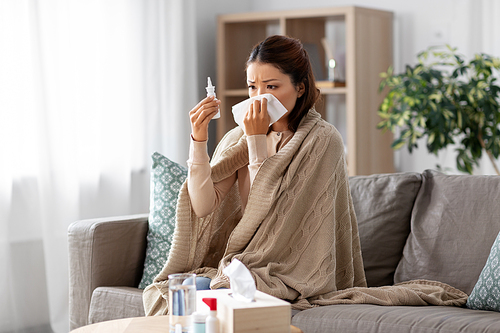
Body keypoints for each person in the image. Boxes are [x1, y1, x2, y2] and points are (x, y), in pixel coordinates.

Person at [143, 35, 367, 315]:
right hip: (240, 266)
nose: (259, 97)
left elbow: (270, 216)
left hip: (286, 270)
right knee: (174, 295)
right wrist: (199, 141)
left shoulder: (322, 140)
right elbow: (202, 206)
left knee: (206, 298)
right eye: (252, 87)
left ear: (299, 88)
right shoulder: (239, 138)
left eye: (271, 86)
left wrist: (257, 140)